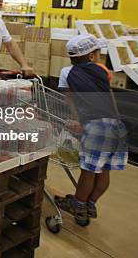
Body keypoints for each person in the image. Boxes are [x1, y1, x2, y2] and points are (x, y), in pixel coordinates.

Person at [55, 34, 127, 225]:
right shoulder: (102, 71)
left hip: (95, 126)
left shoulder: (66, 72)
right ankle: (91, 203)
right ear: (91, 56)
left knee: (88, 171)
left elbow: (68, 98)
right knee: (104, 171)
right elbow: (110, 96)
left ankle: (79, 205)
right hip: (114, 125)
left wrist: (76, 119)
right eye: (98, 53)